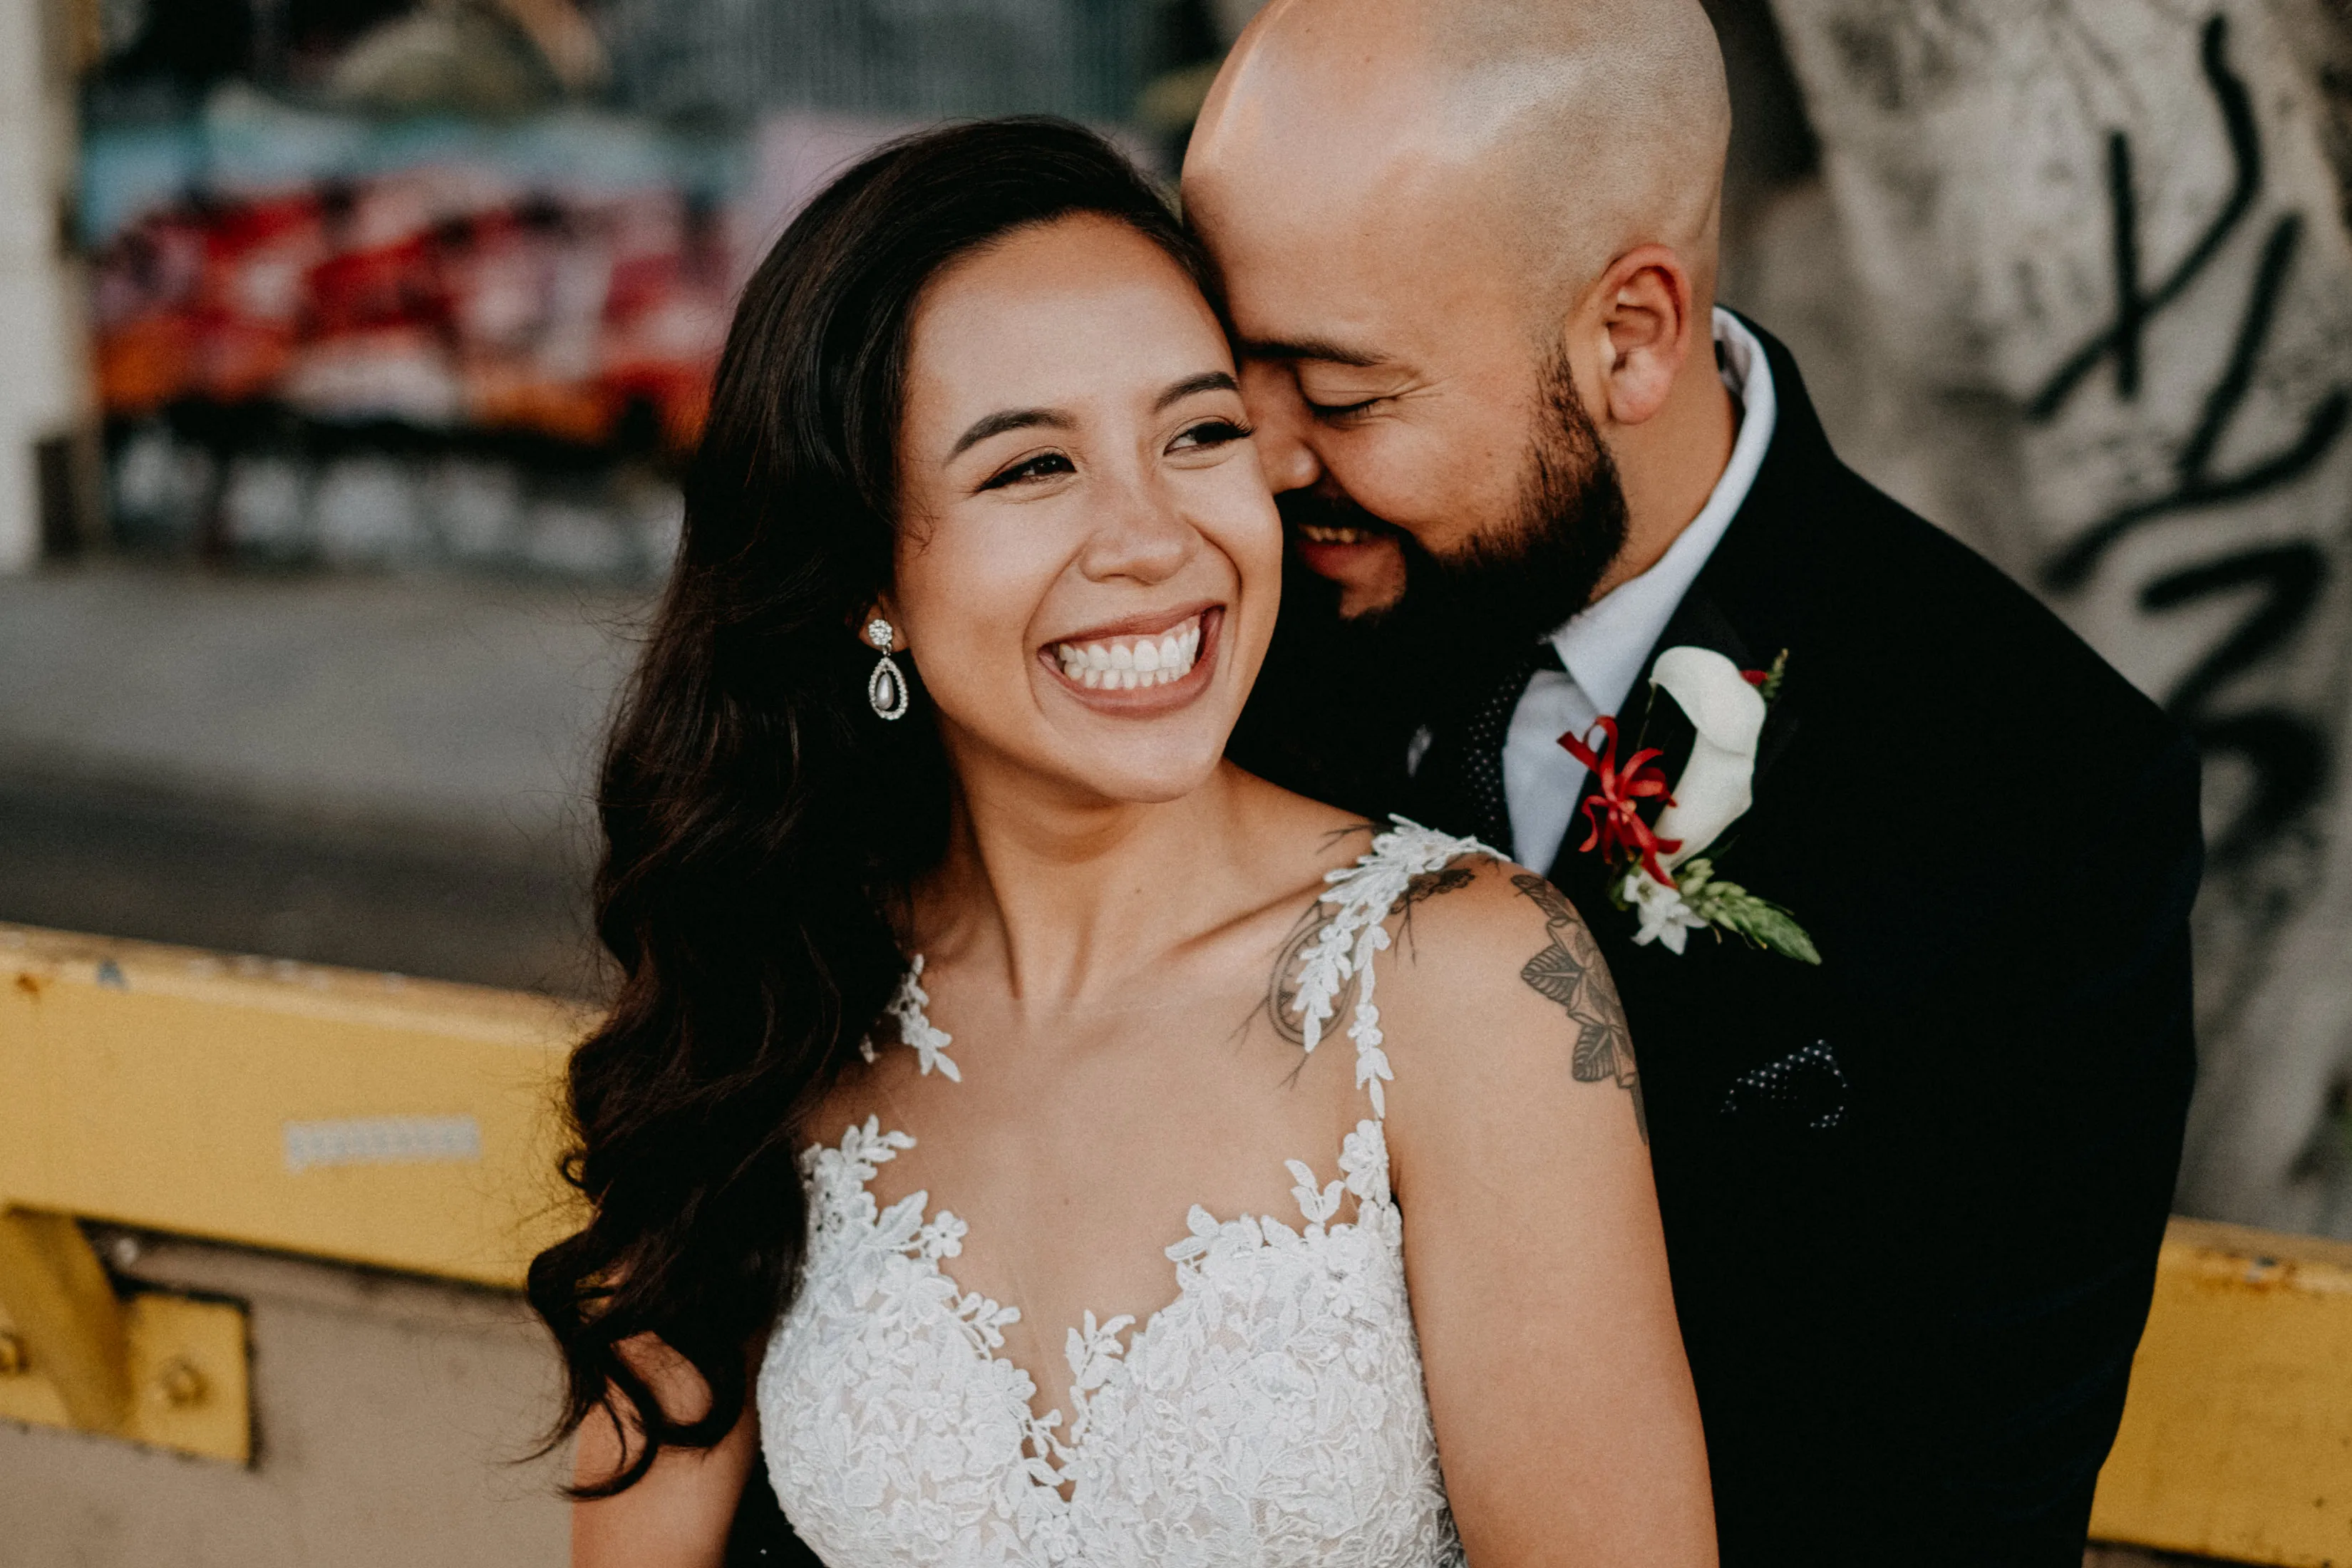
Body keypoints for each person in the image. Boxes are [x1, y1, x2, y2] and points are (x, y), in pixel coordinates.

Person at [528, 118, 1718, 1568]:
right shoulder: (775, 987)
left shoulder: (1455, 977)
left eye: (1198, 432)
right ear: (862, 578)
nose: (1154, 536)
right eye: (1032, 467)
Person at [1184, 1, 2204, 1563]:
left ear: (1632, 334)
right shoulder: (1204, 640)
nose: (1256, 462)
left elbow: (1947, 1510)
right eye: (1225, 369)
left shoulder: (2029, 793)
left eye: (1342, 392)